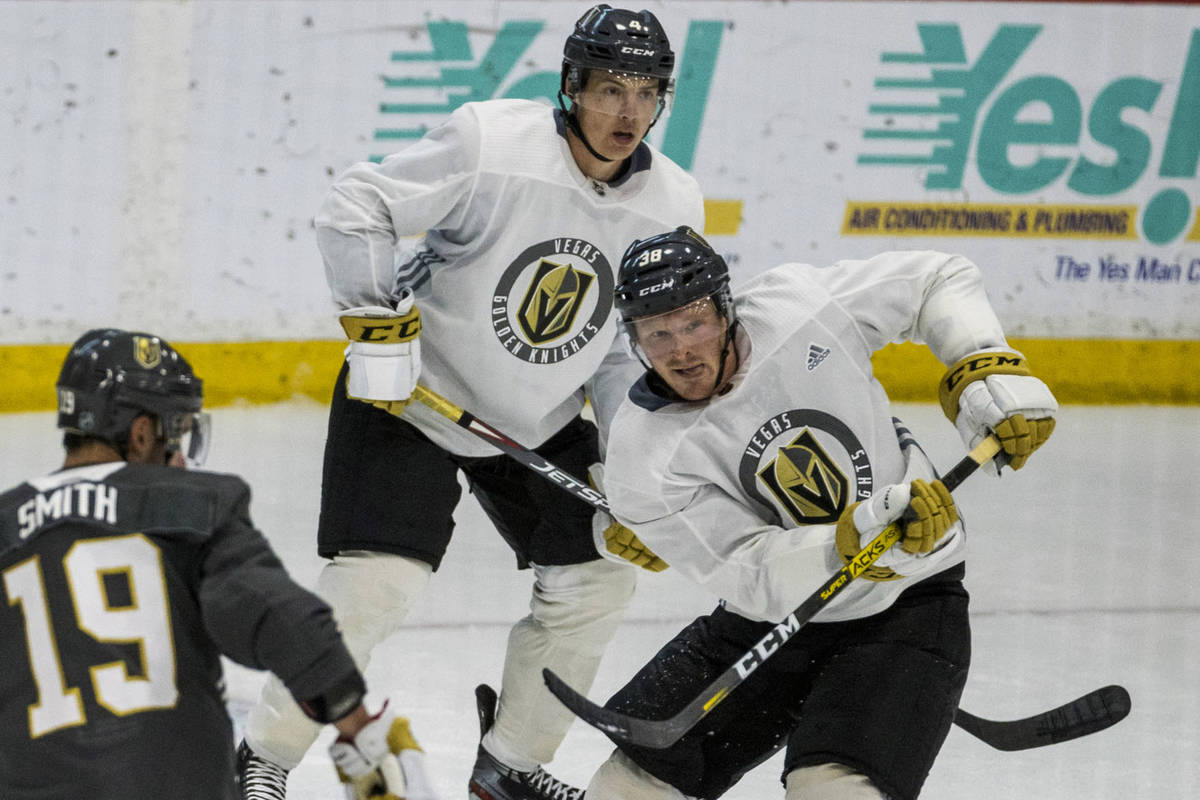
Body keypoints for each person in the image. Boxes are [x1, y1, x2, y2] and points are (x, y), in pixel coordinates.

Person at [237, 4, 704, 799]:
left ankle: (509, 766)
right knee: (379, 582)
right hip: (414, 395)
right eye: (611, 89)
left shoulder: (673, 204)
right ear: (571, 86)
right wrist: (376, 319)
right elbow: (359, 203)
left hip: (538, 420)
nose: (629, 111)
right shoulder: (492, 142)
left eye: (647, 92)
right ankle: (263, 755)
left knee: (597, 576)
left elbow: (630, 347)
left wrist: (631, 473)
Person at [581, 227, 1058, 800]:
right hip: (769, 622)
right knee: (626, 789)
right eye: (657, 333)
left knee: (830, 792)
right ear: (633, 340)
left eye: (694, 323)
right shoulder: (642, 452)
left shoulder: (798, 308)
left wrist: (980, 360)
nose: (680, 349)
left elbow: (934, 278)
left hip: (906, 604)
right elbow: (747, 571)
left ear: (727, 311)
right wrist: (844, 542)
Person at [0, 329, 399, 800]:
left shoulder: (6, 527)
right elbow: (274, 615)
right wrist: (358, 729)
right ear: (142, 432)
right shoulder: (192, 506)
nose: (183, 458)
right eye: (178, 430)